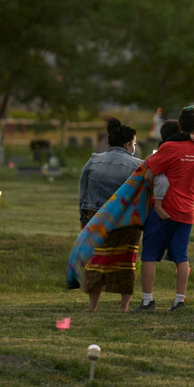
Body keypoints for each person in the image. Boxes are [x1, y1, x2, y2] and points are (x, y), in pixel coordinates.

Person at [135, 106, 194, 312]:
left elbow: (149, 174)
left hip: (164, 209)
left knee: (149, 254)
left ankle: (148, 301)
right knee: (181, 257)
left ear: (180, 124)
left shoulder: (169, 148)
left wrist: (153, 193)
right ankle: (179, 301)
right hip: (187, 210)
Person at [78, 117, 143, 311]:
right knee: (126, 261)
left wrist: (83, 220)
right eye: (134, 143)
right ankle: (124, 306)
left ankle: (93, 306)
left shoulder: (93, 160)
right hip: (125, 221)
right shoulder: (137, 165)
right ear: (127, 144)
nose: (134, 146)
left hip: (96, 217)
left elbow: (83, 191)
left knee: (97, 260)